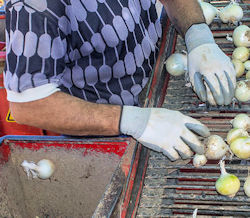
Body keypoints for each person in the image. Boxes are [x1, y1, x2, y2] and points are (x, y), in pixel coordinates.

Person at [4, 0, 236, 161]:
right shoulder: (34, 7)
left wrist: (198, 35)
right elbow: (28, 104)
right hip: (107, 124)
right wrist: (132, 121)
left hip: (159, 71)